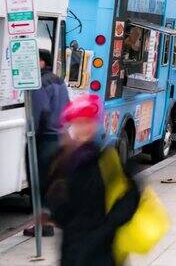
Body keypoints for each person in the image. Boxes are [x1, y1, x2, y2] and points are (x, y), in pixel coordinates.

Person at [47, 95, 139, 266]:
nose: (84, 128)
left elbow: (131, 194)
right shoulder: (63, 161)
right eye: (79, 122)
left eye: (88, 122)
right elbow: (58, 207)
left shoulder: (107, 158)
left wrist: (109, 226)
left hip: (101, 252)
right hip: (73, 250)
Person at [24, 49, 70, 237]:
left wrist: (31, 134)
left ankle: (42, 226)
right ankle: (51, 221)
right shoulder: (59, 81)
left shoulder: (40, 83)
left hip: (44, 140)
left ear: (42, 63)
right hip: (59, 138)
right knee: (51, 182)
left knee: (38, 182)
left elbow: (38, 112)